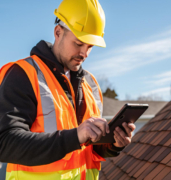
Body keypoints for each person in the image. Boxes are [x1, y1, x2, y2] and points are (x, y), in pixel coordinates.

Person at [0, 0, 136, 179]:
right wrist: (74, 137)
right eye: (79, 43)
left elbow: (89, 149)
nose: (84, 54)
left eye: (90, 47)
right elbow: (5, 143)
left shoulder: (91, 84)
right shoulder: (23, 74)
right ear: (58, 32)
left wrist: (113, 145)